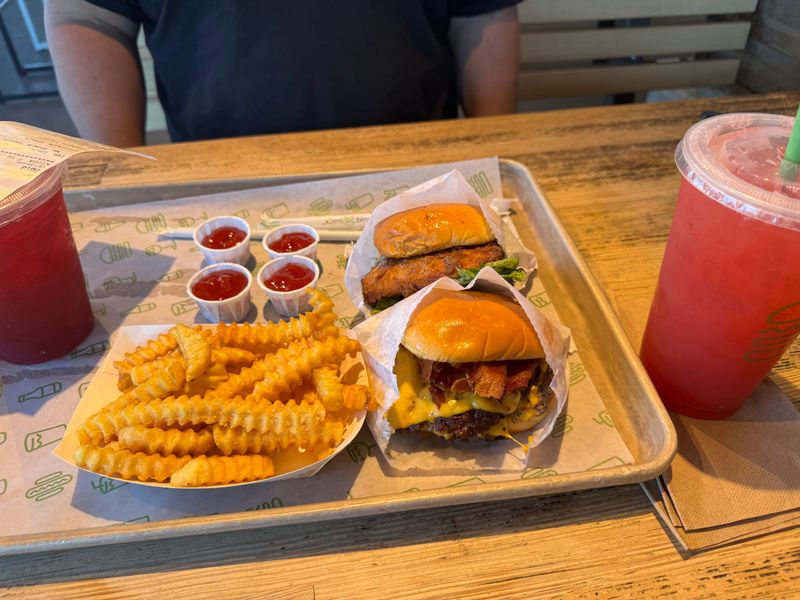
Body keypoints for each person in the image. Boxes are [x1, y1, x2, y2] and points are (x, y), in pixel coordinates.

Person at [45, 1, 521, 147]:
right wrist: (127, 180)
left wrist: (491, 148)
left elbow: (481, 12)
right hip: (219, 173)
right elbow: (89, 15)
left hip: (417, 159)